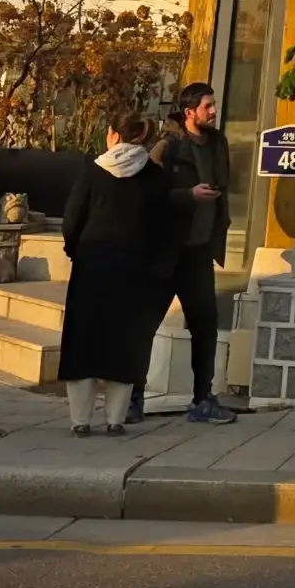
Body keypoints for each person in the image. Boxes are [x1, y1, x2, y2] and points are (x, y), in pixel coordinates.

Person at [57, 112, 171, 436]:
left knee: (83, 340)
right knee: (125, 340)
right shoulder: (155, 177)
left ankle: (80, 420)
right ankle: (115, 419)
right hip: (135, 268)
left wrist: (75, 250)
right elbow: (164, 228)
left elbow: (71, 220)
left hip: (92, 265)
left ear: (114, 136)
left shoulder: (93, 172)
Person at [142, 81, 237, 426]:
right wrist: (187, 195)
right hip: (166, 250)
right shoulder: (167, 148)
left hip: (199, 252)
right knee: (145, 324)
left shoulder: (218, 143)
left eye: (214, 104)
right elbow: (147, 196)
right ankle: (133, 397)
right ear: (189, 113)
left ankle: (203, 399)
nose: (213, 111)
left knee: (205, 326)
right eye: (207, 106)